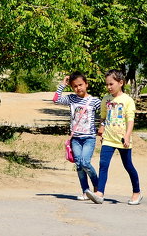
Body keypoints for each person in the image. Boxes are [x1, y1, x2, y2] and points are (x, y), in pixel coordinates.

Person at [92, 69, 142, 205]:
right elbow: (103, 116)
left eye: (111, 84)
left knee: (128, 166)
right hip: (108, 138)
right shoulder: (106, 99)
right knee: (103, 164)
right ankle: (99, 193)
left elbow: (130, 120)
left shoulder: (127, 100)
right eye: (107, 84)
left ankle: (137, 192)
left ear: (121, 83)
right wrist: (101, 128)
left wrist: (127, 136)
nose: (108, 87)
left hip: (122, 139)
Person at [52, 71, 101, 202]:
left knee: (85, 162)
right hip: (75, 138)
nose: (78, 88)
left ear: (86, 84)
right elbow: (56, 99)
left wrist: (102, 127)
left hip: (89, 137)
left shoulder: (94, 101)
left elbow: (104, 114)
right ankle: (85, 191)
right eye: (75, 86)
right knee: (79, 165)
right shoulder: (71, 99)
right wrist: (63, 84)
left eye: (80, 85)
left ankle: (98, 186)